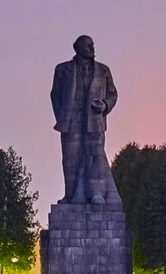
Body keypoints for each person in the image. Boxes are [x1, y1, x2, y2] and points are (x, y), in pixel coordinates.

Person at [50, 35, 121, 205]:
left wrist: (104, 105)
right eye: (88, 45)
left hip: (95, 120)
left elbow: (113, 94)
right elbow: (55, 95)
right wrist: (62, 116)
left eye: (93, 45)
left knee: (94, 156)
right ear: (77, 48)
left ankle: (96, 194)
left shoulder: (103, 70)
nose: (92, 49)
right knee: (70, 158)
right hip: (71, 120)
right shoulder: (63, 69)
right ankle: (70, 195)